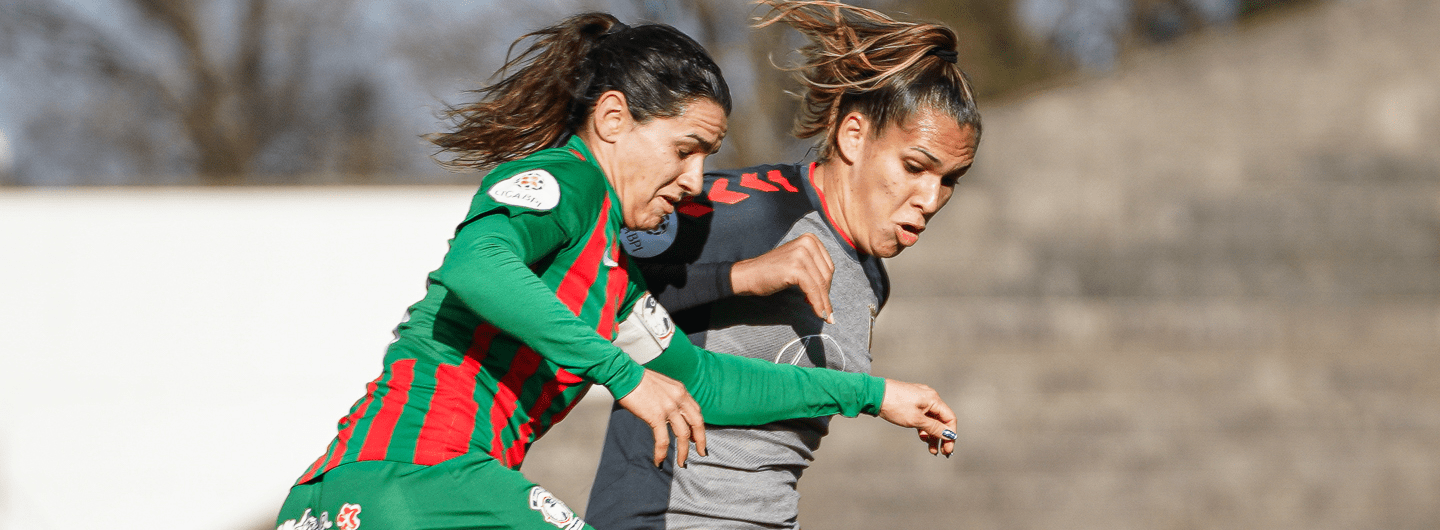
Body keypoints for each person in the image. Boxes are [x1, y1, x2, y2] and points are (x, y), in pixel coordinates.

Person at [274, 12, 957, 530]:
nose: (695, 181)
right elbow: (476, 265)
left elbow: (704, 382)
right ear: (611, 120)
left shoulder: (611, 285)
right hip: (413, 482)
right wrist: (624, 377)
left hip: (359, 498)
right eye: (686, 150)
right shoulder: (561, 180)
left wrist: (871, 394)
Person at [586, 2, 982, 529]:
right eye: (915, 167)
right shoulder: (747, 208)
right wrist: (740, 276)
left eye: (950, 179)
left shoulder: (872, 279)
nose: (930, 197)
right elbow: (589, 281)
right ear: (853, 136)